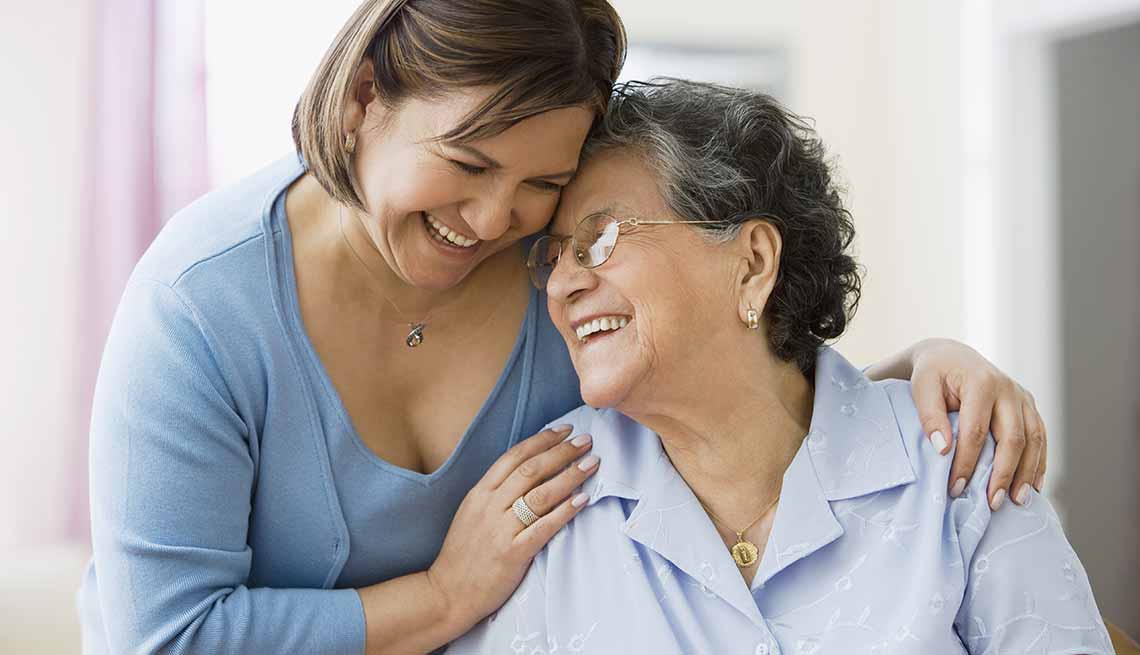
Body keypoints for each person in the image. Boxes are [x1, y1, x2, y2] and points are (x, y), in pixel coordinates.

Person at [80, 2, 1050, 654]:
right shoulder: (201, 307)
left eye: (543, 186)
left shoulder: (556, 284)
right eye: (467, 163)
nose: (498, 221)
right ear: (366, 98)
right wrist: (446, 597)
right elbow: (161, 636)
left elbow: (729, 392)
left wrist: (923, 365)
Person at [449, 79, 1110, 654]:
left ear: (753, 263)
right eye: (554, 257)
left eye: (597, 240)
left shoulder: (955, 469)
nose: (560, 285)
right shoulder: (545, 504)